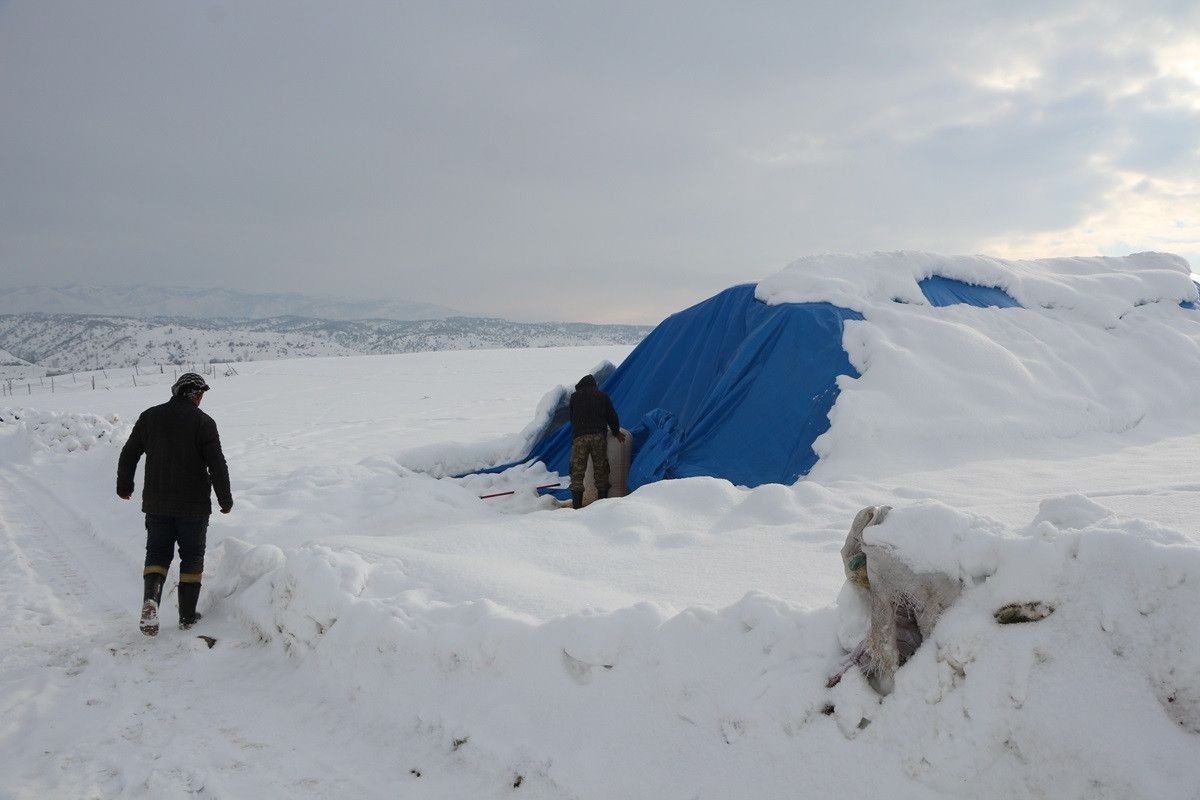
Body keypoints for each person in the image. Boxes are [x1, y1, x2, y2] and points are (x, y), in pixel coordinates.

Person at [117, 372, 233, 635]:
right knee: (192, 556)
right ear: (195, 395)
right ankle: (187, 617)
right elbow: (217, 464)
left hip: (157, 503)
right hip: (193, 506)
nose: (202, 399)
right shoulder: (204, 422)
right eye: (201, 394)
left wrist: (124, 486)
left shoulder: (150, 417)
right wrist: (225, 499)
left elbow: (129, 453)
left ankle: (151, 601)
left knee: (157, 554)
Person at [568, 374, 625, 509]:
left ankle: (577, 507)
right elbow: (612, 416)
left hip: (580, 437)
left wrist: (578, 432)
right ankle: (601, 506)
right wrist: (616, 432)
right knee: (601, 470)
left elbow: (572, 418)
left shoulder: (574, 397)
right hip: (598, 437)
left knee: (577, 472)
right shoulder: (602, 396)